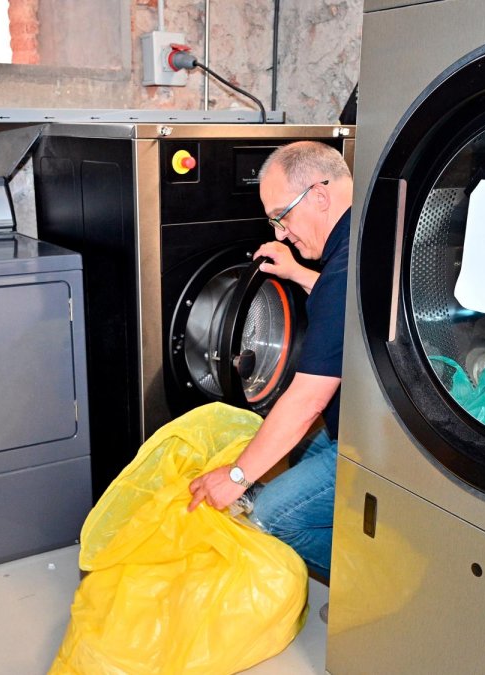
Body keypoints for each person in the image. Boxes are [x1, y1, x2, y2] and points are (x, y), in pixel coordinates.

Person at [188, 140, 353, 582]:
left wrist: (236, 477)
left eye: (283, 216)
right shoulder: (363, 236)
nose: (281, 234)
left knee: (274, 515)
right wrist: (298, 274)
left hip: (378, 448)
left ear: (319, 196)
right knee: (289, 446)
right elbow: (351, 311)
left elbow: (306, 401)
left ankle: (375, 591)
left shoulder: (343, 270)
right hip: (371, 421)